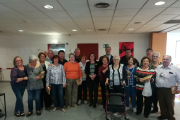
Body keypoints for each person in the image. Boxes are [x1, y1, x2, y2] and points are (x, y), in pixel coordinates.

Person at [156, 55, 180, 120]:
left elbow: (179, 79)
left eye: (167, 59)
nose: (165, 61)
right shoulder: (158, 68)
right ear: (162, 60)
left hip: (171, 88)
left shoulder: (175, 68)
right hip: (160, 89)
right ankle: (163, 115)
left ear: (170, 60)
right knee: (161, 103)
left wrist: (179, 89)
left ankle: (170, 116)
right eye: (164, 59)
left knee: (170, 103)